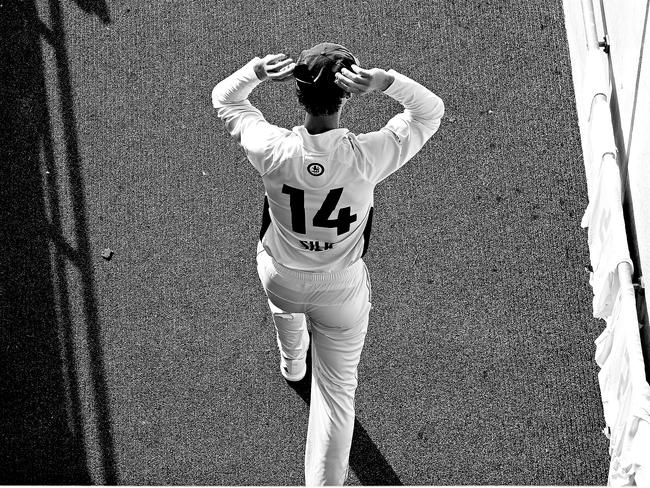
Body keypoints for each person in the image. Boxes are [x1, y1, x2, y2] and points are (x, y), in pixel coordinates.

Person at [212, 42, 444, 486]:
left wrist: (257, 71)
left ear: (297, 93)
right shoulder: (367, 156)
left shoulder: (272, 148)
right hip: (341, 288)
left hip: (281, 272)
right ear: (346, 95)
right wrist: (386, 81)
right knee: (336, 397)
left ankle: (292, 364)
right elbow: (429, 112)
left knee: (286, 309)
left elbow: (226, 98)